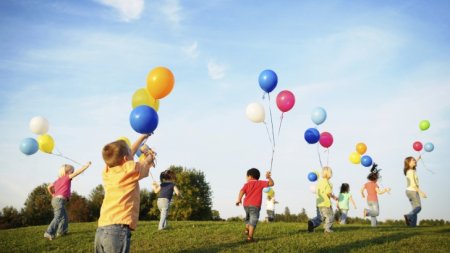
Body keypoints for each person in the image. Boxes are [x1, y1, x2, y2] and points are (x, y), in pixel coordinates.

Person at [94, 134, 156, 253]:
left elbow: (127, 154)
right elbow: (145, 163)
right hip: (117, 231)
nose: (132, 153)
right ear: (125, 159)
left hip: (101, 229)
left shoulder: (107, 171)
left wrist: (142, 137)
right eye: (130, 153)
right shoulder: (131, 169)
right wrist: (149, 157)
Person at [44, 162, 91, 240]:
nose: (73, 173)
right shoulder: (66, 177)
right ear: (67, 172)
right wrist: (86, 166)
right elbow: (77, 173)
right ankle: (49, 232)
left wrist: (52, 194)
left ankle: (62, 231)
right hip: (59, 201)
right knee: (58, 217)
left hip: (56, 200)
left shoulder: (58, 180)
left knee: (64, 217)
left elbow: (48, 187)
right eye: (72, 171)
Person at [236, 168, 274, 242]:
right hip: (255, 205)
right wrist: (268, 177)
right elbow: (271, 184)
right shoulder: (260, 183)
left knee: (248, 218)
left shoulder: (246, 184)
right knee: (253, 220)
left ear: (250, 176)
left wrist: (239, 199)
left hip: (246, 204)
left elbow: (241, 191)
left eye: (246, 176)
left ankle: (247, 229)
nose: (246, 178)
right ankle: (250, 238)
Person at [307, 166, 338, 233]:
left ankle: (312, 223)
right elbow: (328, 193)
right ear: (329, 174)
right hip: (325, 204)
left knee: (320, 218)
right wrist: (334, 197)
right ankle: (327, 230)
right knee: (330, 217)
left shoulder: (319, 183)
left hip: (319, 203)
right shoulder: (328, 183)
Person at [403, 156, 426, 227]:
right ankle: (409, 216)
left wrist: (417, 159)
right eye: (413, 160)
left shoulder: (409, 170)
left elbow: (412, 163)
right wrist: (420, 192)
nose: (415, 161)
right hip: (413, 191)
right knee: (418, 207)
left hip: (409, 191)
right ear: (409, 163)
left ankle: (412, 225)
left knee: (414, 209)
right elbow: (413, 184)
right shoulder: (410, 172)